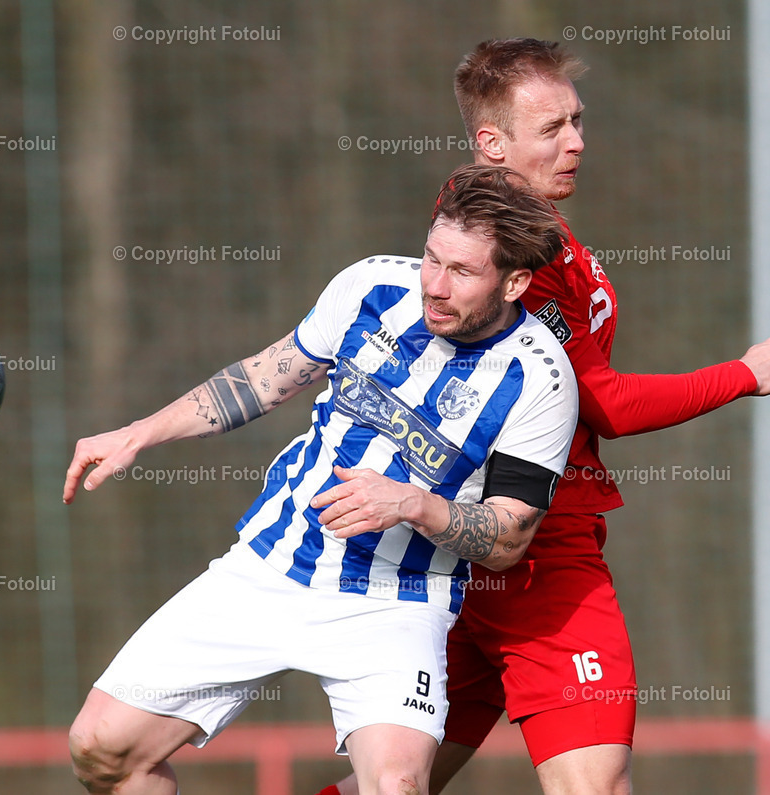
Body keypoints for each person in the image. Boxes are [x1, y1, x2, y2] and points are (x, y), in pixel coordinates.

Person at [318, 38, 770, 795]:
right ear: (492, 143)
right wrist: (742, 375)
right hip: (534, 552)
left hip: (452, 548)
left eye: (578, 120)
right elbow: (601, 399)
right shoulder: (508, 260)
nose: (577, 142)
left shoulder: (501, 223)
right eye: (553, 129)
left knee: (392, 786)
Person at [63, 163, 579, 795]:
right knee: (100, 749)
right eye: (431, 259)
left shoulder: (541, 379)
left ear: (515, 281)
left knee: (396, 786)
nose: (435, 287)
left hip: (394, 602)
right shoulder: (371, 288)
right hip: (269, 566)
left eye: (463, 272)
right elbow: (263, 378)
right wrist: (139, 432)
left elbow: (509, 540)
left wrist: (416, 506)